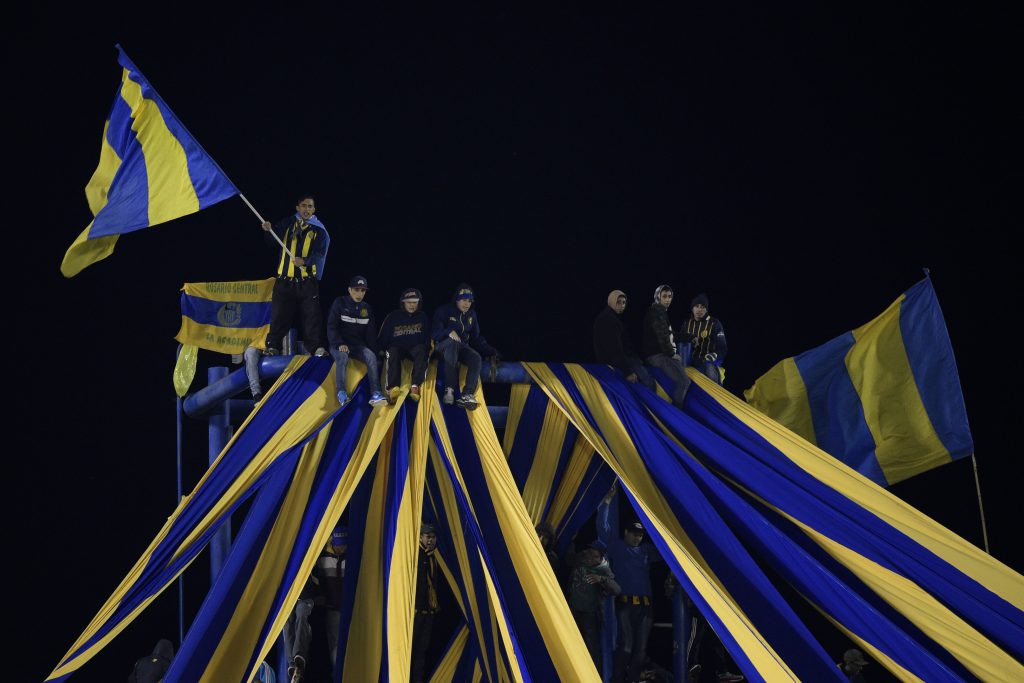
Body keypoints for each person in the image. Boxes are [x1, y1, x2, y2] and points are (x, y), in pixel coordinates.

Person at [598, 483, 662, 683]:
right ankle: (616, 680)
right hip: (625, 605)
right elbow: (603, 529)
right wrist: (606, 503)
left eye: (640, 534)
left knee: (641, 650)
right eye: (634, 533)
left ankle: (633, 680)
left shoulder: (645, 551)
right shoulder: (617, 547)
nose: (637, 537)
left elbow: (665, 551)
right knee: (625, 645)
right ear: (626, 532)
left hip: (645, 607)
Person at [261, 195, 328, 357]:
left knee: (311, 317)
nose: (306, 209)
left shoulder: (319, 230)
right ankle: (273, 346)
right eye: (303, 206)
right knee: (278, 316)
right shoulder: (287, 223)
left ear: (314, 209)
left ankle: (315, 348)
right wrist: (268, 230)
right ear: (297, 208)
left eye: (310, 206)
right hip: (284, 281)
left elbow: (320, 254)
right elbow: (271, 242)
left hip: (307, 282)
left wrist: (304, 261)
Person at [431, 284, 499, 410]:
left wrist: (491, 351)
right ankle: (449, 389)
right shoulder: (443, 311)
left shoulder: (472, 315)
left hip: (460, 348)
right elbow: (434, 333)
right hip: (442, 348)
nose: (467, 304)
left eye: (469, 301)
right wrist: (448, 332)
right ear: (457, 299)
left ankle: (467, 394)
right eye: (464, 300)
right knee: (453, 343)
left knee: (476, 357)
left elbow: (476, 338)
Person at [327, 276, 388, 406]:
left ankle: (376, 393)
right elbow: (332, 326)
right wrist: (339, 344)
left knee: (371, 356)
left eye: (363, 290)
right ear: (349, 290)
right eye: (356, 289)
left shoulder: (367, 309)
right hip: (339, 345)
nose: (359, 293)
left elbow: (371, 335)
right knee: (342, 357)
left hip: (357, 346)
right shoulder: (340, 302)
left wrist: (376, 354)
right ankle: (341, 393)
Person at [567, 544, 621, 670]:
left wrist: (601, 579)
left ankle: (593, 674)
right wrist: (572, 542)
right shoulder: (581, 559)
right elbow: (568, 559)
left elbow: (617, 590)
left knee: (591, 647)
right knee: (570, 641)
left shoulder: (603, 570)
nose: (590, 558)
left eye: (595, 556)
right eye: (589, 553)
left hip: (589, 614)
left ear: (600, 558)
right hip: (572, 609)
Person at [594, 290, 655, 389]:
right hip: (616, 360)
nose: (622, 305)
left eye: (624, 302)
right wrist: (628, 372)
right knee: (649, 383)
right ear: (612, 301)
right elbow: (615, 349)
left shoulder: (610, 316)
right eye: (618, 302)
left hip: (614, 359)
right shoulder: (609, 319)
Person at [378, 288, 431, 402]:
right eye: (409, 302)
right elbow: (385, 334)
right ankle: (392, 388)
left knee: (422, 350)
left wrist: (427, 349)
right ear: (403, 303)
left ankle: (415, 386)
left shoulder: (423, 317)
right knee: (392, 352)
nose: (412, 305)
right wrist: (381, 349)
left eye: (414, 302)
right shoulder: (393, 316)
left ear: (419, 303)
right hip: (397, 347)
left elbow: (427, 338)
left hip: (414, 348)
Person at [642, 285, 691, 408]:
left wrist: (689, 337)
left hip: (660, 354)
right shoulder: (657, 312)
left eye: (670, 296)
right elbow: (662, 336)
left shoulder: (660, 312)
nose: (668, 299)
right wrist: (672, 354)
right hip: (657, 356)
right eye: (664, 296)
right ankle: (676, 411)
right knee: (684, 381)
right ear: (657, 297)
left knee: (682, 372)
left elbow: (669, 334)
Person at [411, 523, 441, 683]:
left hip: (428, 613)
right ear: (420, 537)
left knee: (422, 652)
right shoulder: (416, 556)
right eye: (427, 537)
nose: (430, 540)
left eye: (433, 537)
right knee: (411, 651)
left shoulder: (433, 558)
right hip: (415, 613)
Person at [318, 524, 348, 676]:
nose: (341, 548)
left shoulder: (351, 559)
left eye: (344, 545)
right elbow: (318, 582)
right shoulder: (323, 559)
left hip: (349, 609)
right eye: (339, 545)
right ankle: (337, 674)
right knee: (334, 644)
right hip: (332, 608)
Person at [681, 293, 727, 384]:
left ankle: (714, 395)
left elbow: (723, 348)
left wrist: (714, 355)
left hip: (706, 361)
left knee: (709, 370)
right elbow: (680, 343)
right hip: (690, 360)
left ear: (706, 309)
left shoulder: (715, 323)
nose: (699, 309)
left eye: (702, 307)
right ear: (692, 308)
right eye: (696, 306)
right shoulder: (687, 324)